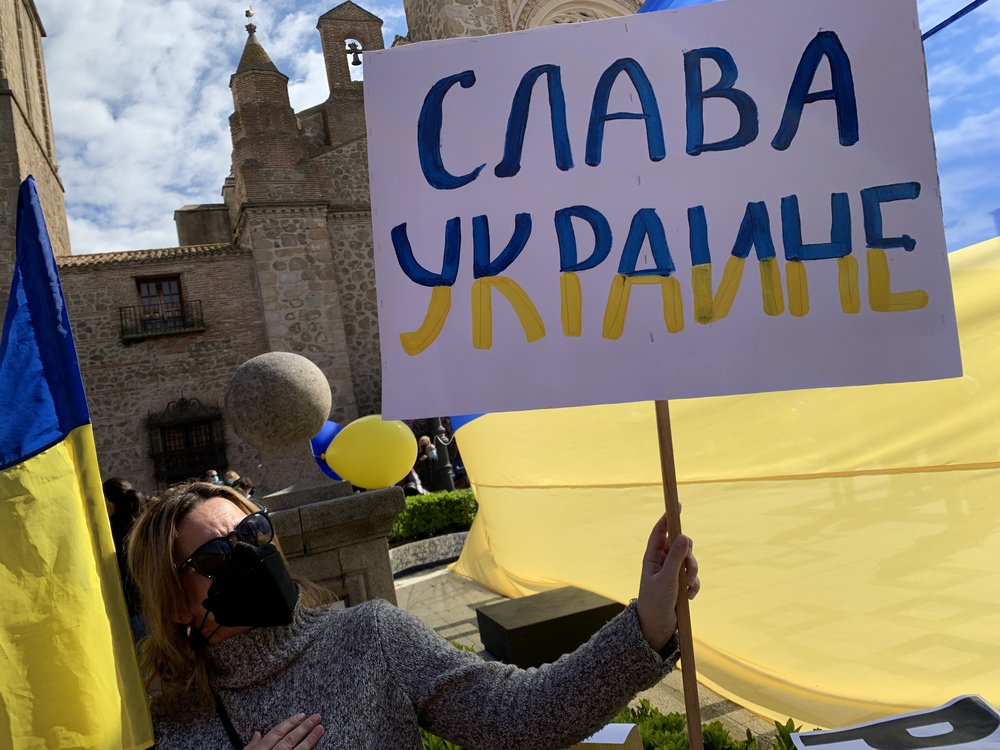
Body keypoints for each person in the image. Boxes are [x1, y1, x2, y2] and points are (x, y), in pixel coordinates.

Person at [127, 481, 699, 750]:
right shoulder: (168, 724)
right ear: (175, 600)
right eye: (216, 556)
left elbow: (520, 715)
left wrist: (646, 629)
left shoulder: (369, 634)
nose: (247, 556)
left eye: (253, 533)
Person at [103, 476, 146, 642]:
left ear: (109, 502)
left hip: (133, 610)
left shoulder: (112, 535)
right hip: (156, 607)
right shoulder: (144, 524)